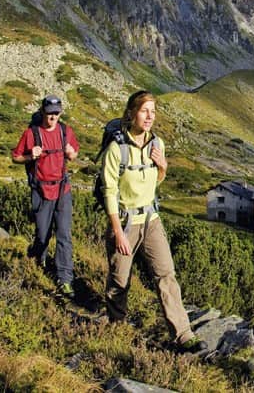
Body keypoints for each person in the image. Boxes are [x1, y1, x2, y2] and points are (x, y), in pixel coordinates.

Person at [102, 90, 205, 353]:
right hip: (124, 222)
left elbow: (155, 183)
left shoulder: (157, 144)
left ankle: (183, 335)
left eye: (153, 112)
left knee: (166, 275)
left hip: (151, 219)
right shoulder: (116, 149)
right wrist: (118, 232)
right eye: (144, 111)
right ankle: (117, 330)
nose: (149, 117)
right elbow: (109, 192)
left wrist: (163, 168)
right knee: (119, 280)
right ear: (132, 113)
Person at [11, 94, 78, 298]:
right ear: (43, 112)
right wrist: (31, 155)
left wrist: (70, 153)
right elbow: (15, 157)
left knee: (64, 235)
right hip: (41, 191)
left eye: (56, 114)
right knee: (42, 235)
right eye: (49, 114)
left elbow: (74, 154)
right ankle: (36, 260)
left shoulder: (66, 132)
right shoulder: (32, 133)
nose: (52, 118)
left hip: (62, 190)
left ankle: (65, 279)